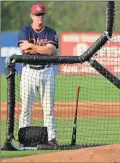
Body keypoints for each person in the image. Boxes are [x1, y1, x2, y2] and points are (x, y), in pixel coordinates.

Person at [18, 4, 58, 146]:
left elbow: (51, 51)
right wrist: (42, 49)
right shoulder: (25, 30)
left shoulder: (50, 32)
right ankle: (23, 139)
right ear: (31, 16)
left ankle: (51, 138)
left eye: (41, 15)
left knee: (48, 108)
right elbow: (24, 48)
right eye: (36, 15)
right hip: (28, 71)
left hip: (46, 71)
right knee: (25, 108)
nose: (39, 17)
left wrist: (33, 47)